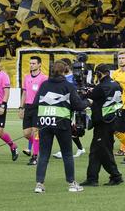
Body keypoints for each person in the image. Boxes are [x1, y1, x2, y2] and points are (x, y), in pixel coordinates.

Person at [32, 61, 88, 193]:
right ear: (65, 71)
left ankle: (39, 184)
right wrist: (88, 101)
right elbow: (78, 105)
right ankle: (71, 183)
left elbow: (35, 104)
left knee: (44, 154)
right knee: (67, 154)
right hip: (62, 124)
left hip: (45, 123)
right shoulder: (68, 86)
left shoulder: (44, 84)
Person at [81, 64, 124, 186]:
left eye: (96, 73)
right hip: (112, 121)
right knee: (97, 151)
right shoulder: (116, 85)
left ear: (100, 73)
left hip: (103, 123)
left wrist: (85, 93)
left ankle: (116, 176)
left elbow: (89, 98)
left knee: (103, 151)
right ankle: (92, 178)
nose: (96, 76)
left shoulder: (101, 87)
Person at [53, 58, 86, 159]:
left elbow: (80, 90)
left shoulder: (75, 77)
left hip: (72, 106)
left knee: (69, 129)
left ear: (67, 66)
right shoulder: (61, 77)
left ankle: (65, 150)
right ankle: (80, 149)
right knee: (69, 129)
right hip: (63, 106)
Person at [19, 56, 48, 166]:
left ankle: (35, 157)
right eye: (30, 63)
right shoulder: (26, 77)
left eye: (34, 63)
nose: (31, 65)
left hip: (38, 108)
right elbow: (25, 93)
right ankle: (40, 145)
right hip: (28, 107)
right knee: (26, 133)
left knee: (35, 132)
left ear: (39, 65)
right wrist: (21, 108)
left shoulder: (44, 78)